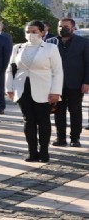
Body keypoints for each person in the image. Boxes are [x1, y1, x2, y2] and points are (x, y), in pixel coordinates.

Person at [6, 20, 63, 162]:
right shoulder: (18, 47)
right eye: (28, 32)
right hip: (22, 87)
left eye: (34, 32)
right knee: (28, 120)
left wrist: (56, 91)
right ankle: (32, 151)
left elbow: (57, 71)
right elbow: (10, 68)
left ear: (42, 32)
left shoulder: (50, 48)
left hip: (44, 88)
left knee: (43, 120)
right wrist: (9, 87)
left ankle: (44, 151)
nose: (31, 34)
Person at [47, 18, 89, 147]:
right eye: (60, 26)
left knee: (75, 111)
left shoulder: (83, 42)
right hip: (55, 84)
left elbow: (88, 64)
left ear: (73, 27)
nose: (62, 28)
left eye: (66, 26)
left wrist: (86, 82)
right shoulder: (50, 42)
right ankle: (61, 138)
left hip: (75, 83)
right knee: (58, 112)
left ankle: (75, 138)